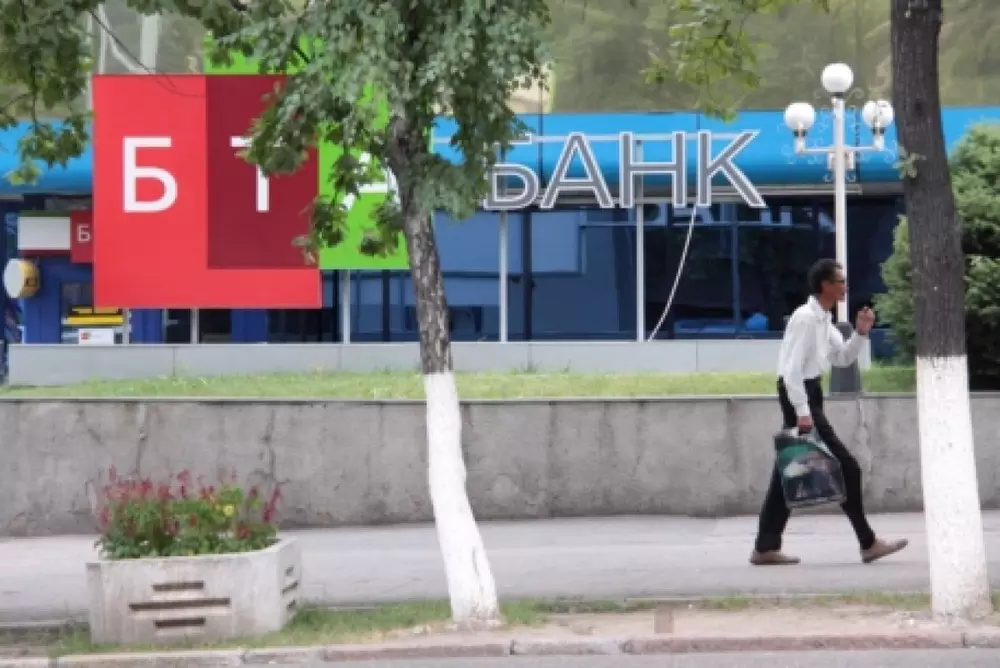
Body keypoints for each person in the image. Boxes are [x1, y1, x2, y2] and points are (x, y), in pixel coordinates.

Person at [750, 258, 909, 566]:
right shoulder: (805, 319)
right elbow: (791, 372)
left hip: (810, 394)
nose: (845, 287)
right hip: (800, 396)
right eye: (841, 282)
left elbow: (842, 358)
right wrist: (802, 412)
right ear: (825, 285)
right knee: (847, 467)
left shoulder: (823, 318)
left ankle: (765, 547)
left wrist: (861, 332)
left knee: (789, 468)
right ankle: (868, 542)